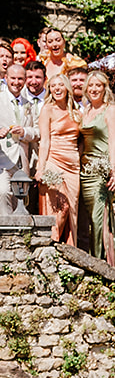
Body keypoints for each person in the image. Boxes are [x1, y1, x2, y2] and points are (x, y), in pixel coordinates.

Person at [36, 70, 81, 245]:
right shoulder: (47, 109)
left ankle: (70, 249)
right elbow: (44, 141)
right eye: (53, 86)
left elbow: (81, 141)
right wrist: (41, 168)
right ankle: (51, 245)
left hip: (73, 166)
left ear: (67, 87)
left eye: (60, 85)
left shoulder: (77, 112)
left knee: (73, 212)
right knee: (60, 208)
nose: (57, 88)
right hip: (54, 161)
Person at [0, 61, 31, 217]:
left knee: (21, 200)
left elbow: (37, 130)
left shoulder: (28, 104)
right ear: (6, 78)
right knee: (2, 192)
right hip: (0, 159)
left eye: (20, 79)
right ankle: (8, 229)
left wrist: (25, 131)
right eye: (13, 78)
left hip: (21, 160)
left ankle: (20, 234)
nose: (16, 82)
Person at [79, 70, 115, 263]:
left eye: (98, 85)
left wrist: (114, 170)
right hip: (85, 172)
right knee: (90, 220)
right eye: (91, 85)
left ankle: (104, 262)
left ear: (104, 88)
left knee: (100, 218)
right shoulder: (84, 111)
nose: (94, 89)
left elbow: (113, 142)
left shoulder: (110, 110)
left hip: (103, 170)